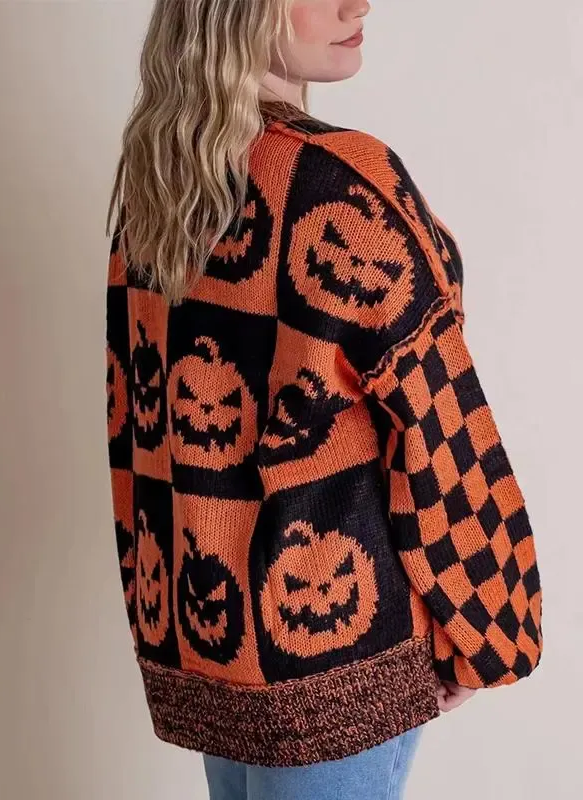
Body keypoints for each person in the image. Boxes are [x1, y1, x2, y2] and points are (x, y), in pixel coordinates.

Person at [104, 1, 543, 797]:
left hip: (213, 644)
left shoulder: (163, 183)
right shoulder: (342, 183)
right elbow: (438, 422)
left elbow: (137, 425)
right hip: (337, 653)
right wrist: (487, 628)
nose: (357, 5)